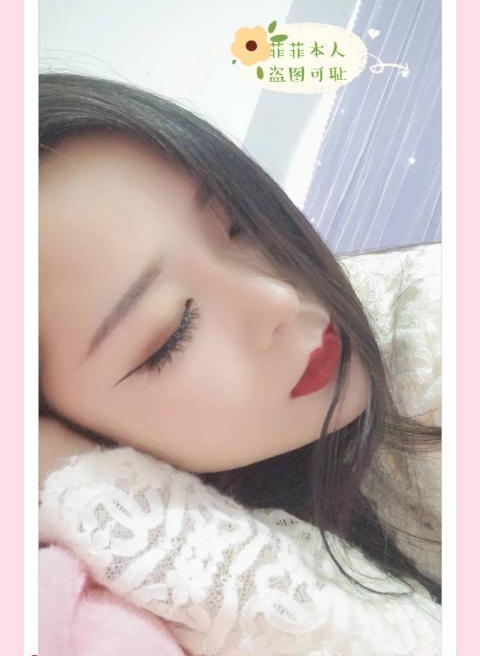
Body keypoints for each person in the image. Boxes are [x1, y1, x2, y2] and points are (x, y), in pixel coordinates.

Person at [38, 72, 442, 655]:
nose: (277, 300)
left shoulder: (435, 341)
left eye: (240, 224)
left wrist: (71, 481)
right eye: (172, 335)